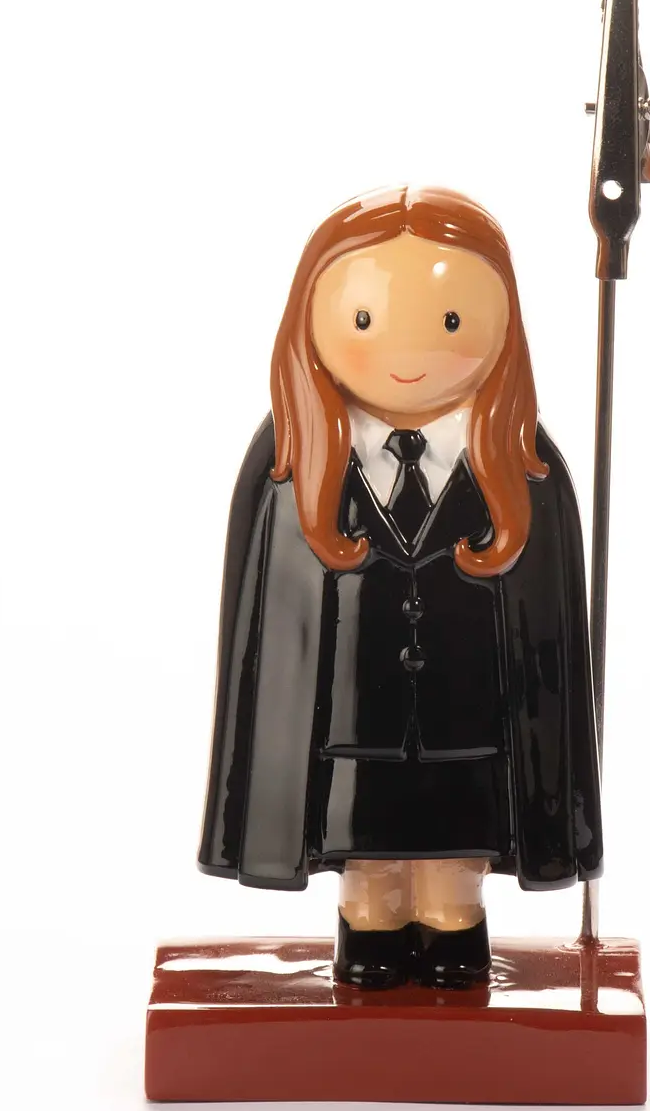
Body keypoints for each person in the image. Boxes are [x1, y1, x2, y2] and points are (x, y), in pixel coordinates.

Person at [197, 185, 603, 990]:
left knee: (453, 867)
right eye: (364, 320)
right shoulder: (290, 467)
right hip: (349, 736)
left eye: (451, 322)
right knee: (370, 866)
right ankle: (369, 929)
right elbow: (265, 636)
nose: (407, 353)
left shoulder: (524, 468)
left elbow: (549, 640)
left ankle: (455, 930)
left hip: (471, 732)